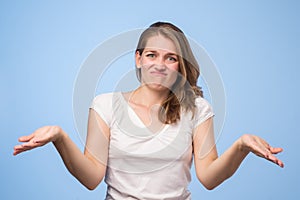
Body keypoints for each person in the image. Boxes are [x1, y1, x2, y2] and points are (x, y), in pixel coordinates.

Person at [13, 22, 284, 200]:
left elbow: (209, 178)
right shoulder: (105, 105)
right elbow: (91, 177)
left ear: (180, 65)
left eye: (171, 58)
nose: (160, 65)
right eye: (152, 55)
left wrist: (241, 147)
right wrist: (59, 138)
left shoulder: (197, 109)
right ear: (138, 58)